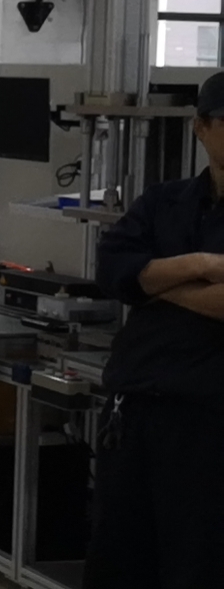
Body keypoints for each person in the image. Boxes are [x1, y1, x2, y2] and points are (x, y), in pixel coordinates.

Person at [86, 70, 224, 588]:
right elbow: (111, 270)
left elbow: (133, 278)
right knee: (120, 559)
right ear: (201, 127)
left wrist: (153, 282)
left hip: (209, 424)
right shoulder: (164, 202)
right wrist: (202, 265)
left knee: (196, 564)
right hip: (135, 412)